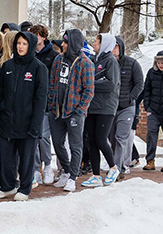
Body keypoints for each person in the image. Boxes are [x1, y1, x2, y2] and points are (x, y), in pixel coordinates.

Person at [0, 30, 47, 201]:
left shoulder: (39, 68)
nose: (20, 47)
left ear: (30, 46)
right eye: (18, 43)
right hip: (7, 121)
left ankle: (24, 188)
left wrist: (35, 126)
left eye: (24, 44)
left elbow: (40, 100)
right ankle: (7, 186)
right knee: (6, 158)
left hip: (27, 123)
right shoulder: (7, 67)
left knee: (26, 159)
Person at [48, 28, 94, 192]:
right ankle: (66, 171)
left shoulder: (86, 64)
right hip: (57, 111)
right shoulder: (58, 60)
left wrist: (80, 111)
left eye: (66, 42)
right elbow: (52, 83)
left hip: (75, 113)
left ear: (73, 43)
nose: (63, 44)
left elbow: (89, 90)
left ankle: (72, 178)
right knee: (57, 143)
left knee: (76, 146)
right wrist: (52, 104)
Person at [81, 34, 121, 188]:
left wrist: (91, 85)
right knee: (91, 141)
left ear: (105, 44)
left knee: (101, 139)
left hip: (106, 107)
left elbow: (111, 84)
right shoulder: (95, 60)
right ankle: (96, 176)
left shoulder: (110, 61)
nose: (94, 43)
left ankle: (113, 167)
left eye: (97, 41)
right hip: (93, 106)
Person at [111, 38, 143, 178]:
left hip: (127, 107)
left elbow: (139, 84)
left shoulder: (132, 63)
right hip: (110, 107)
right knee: (111, 138)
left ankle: (118, 169)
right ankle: (117, 165)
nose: (114, 49)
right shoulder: (107, 63)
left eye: (116, 46)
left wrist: (130, 98)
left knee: (121, 137)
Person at [31, 24, 59, 186]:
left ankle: (48, 165)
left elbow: (54, 81)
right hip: (30, 103)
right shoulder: (29, 54)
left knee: (43, 137)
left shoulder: (53, 56)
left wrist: (51, 99)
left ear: (43, 37)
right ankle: (36, 169)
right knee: (32, 138)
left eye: (36, 36)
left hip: (46, 104)